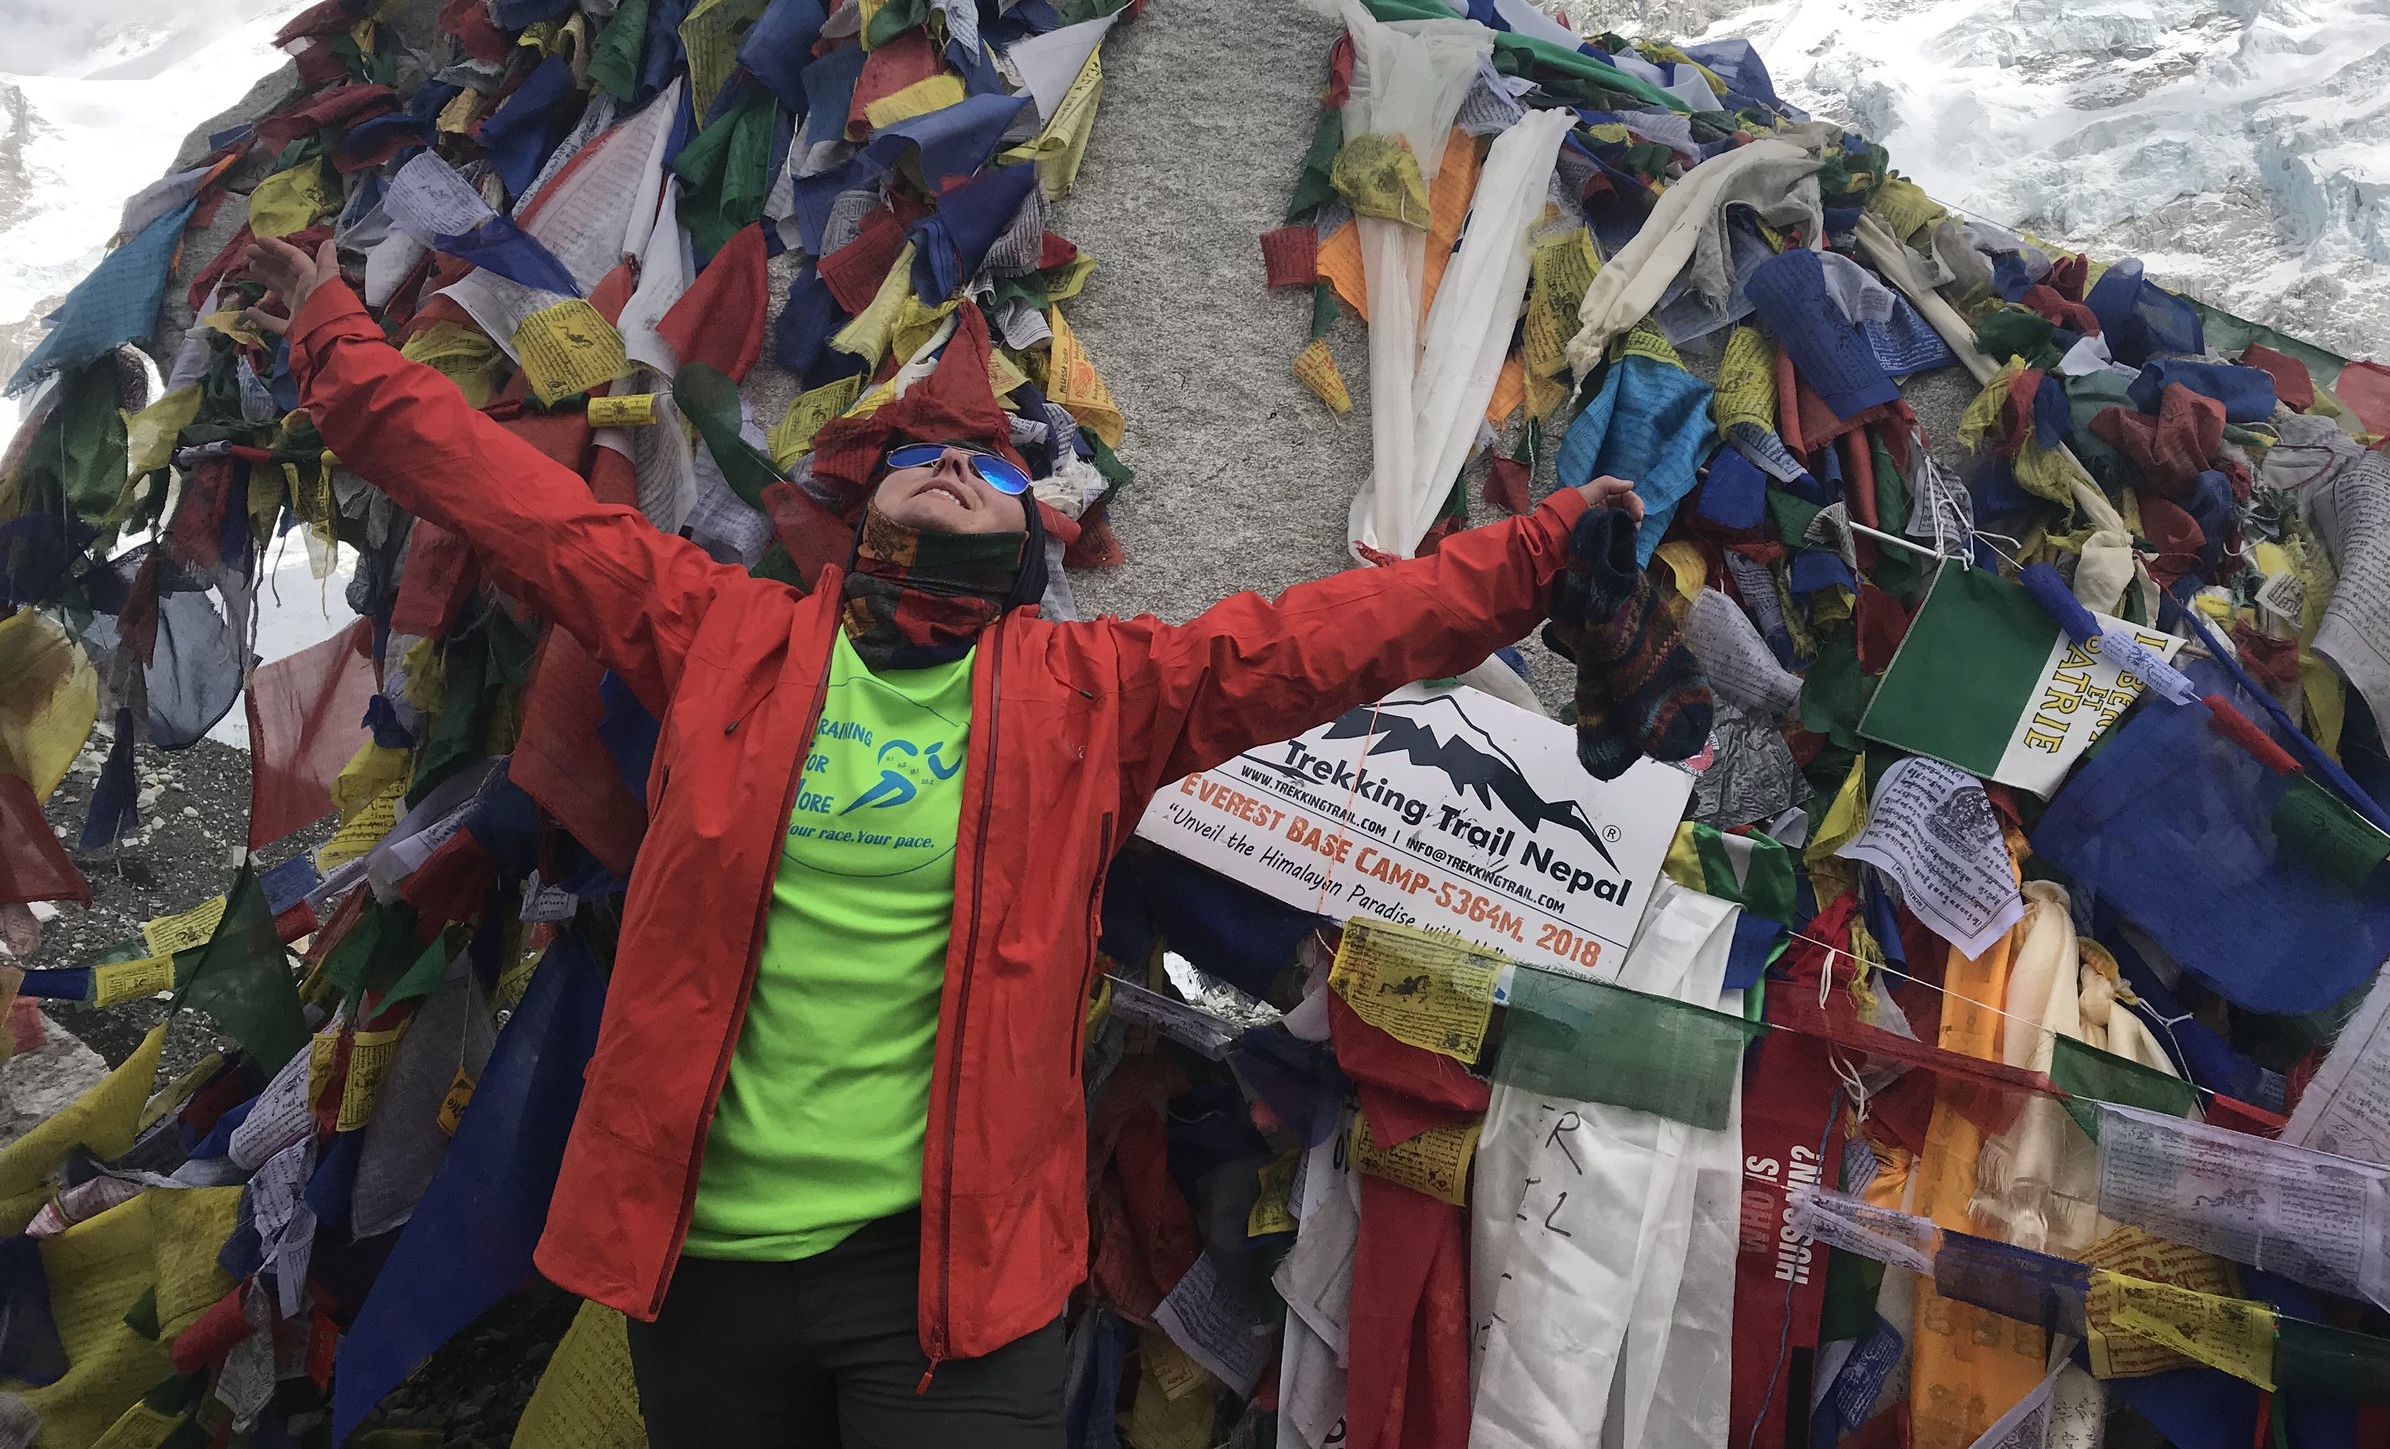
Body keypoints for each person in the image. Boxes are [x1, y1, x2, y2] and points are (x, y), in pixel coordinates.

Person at [242, 234, 1641, 1448]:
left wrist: (1538, 556)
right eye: (919, 457)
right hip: (703, 1268)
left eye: (984, 465)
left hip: (953, 1290)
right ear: (864, 514)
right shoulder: (723, 636)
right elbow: (503, 493)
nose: (951, 469)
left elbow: (1325, 639)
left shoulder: (1093, 696)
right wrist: (331, 333)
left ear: (1028, 534)